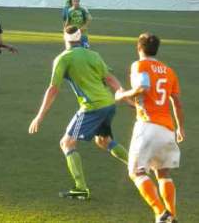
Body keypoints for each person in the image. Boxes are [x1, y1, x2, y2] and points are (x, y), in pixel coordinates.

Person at [29, 26, 128, 200]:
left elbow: (53, 89)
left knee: (67, 143)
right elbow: (111, 79)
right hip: (108, 104)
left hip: (91, 108)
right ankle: (137, 167)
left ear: (64, 38)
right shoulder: (94, 55)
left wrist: (40, 115)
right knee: (104, 141)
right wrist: (125, 96)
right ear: (80, 37)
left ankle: (80, 188)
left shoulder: (63, 58)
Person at [115, 33, 185, 223]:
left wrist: (122, 95)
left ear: (139, 48)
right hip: (167, 129)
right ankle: (172, 215)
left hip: (147, 126)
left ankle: (160, 211)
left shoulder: (140, 65)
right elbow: (177, 102)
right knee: (163, 173)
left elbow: (143, 87)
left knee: (136, 172)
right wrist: (180, 128)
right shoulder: (169, 71)